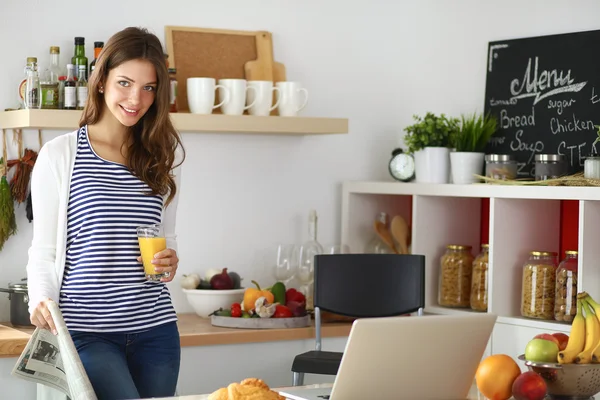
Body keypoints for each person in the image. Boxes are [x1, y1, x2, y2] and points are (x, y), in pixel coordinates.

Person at [26, 26, 186, 400]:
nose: (136, 98)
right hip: (86, 332)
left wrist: (170, 261)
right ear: (101, 82)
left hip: (156, 330)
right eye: (125, 83)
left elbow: (168, 240)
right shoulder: (61, 155)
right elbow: (43, 251)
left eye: (148, 88)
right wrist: (40, 300)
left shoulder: (166, 157)